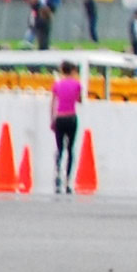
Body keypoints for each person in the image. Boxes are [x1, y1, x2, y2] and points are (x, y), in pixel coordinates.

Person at [49, 60, 83, 193]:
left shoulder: (57, 85)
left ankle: (58, 174)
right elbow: (79, 100)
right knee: (70, 148)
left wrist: (52, 119)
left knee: (60, 148)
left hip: (60, 117)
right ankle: (68, 180)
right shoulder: (77, 84)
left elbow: (53, 104)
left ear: (62, 70)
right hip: (71, 117)